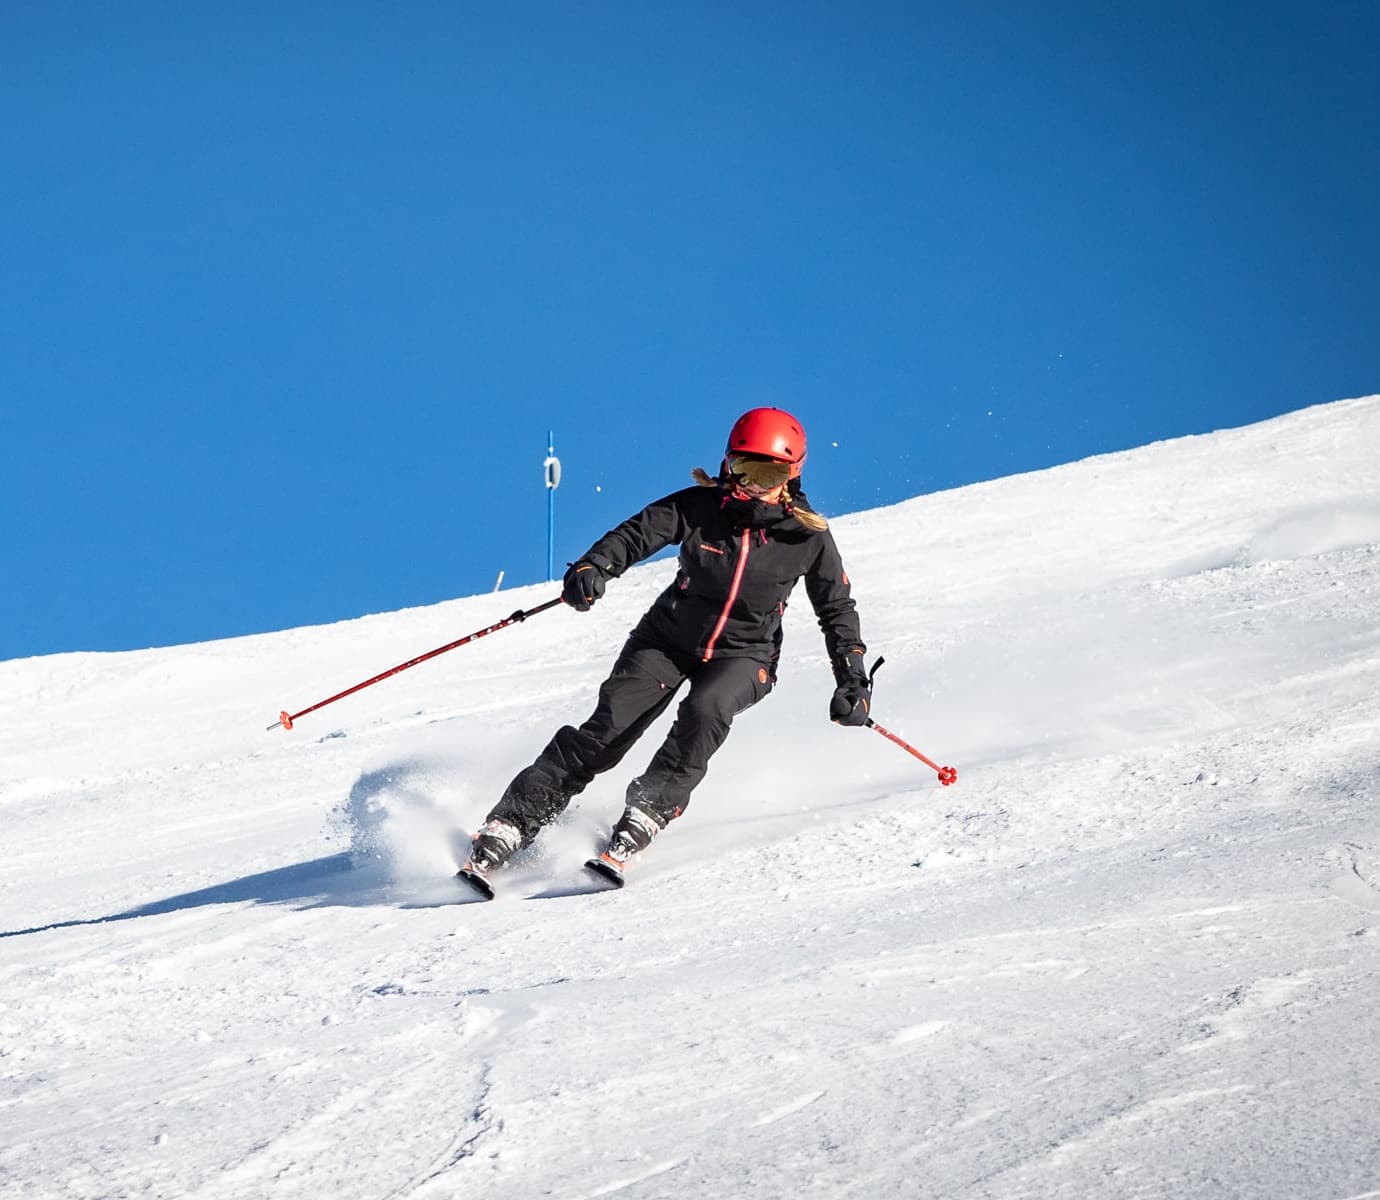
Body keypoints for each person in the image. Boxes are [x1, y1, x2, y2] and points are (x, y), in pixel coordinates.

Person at [458, 406, 872, 896]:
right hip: (667, 641)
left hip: (746, 655)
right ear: (726, 465)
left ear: (792, 474)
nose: (754, 485)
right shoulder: (698, 508)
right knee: (606, 732)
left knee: (708, 708)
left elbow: (836, 610)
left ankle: (649, 810)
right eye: (744, 470)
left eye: (769, 473)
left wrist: (853, 680)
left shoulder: (807, 537)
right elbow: (636, 534)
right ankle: (511, 824)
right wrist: (594, 568)